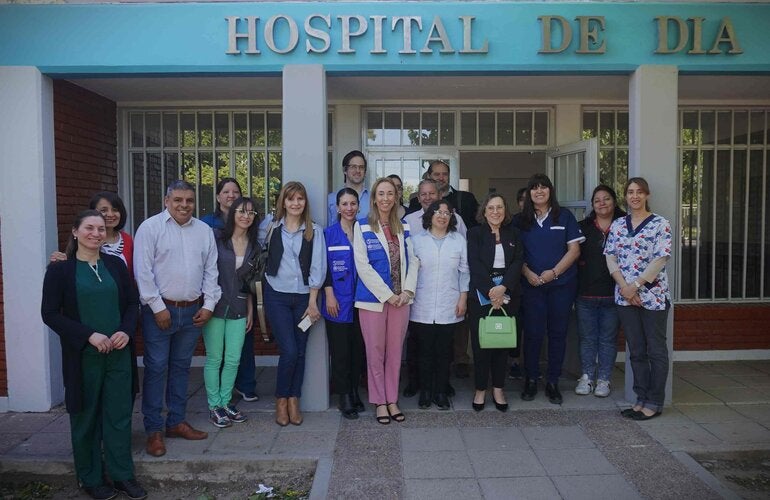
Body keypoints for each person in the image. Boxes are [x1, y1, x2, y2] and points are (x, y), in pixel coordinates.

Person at [41, 210, 147, 500]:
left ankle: (122, 475)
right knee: (85, 417)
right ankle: (90, 477)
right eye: (89, 228)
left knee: (119, 416)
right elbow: (49, 314)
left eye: (101, 229)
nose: (96, 233)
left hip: (118, 354)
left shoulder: (114, 265)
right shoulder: (60, 271)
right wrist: (89, 334)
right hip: (83, 356)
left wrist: (126, 330)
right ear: (75, 232)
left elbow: (131, 304)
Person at [133, 180, 221, 457]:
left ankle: (176, 422)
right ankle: (154, 430)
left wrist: (209, 305)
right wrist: (157, 307)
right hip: (160, 311)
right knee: (157, 368)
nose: (184, 205)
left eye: (189, 201)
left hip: (192, 311)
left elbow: (211, 270)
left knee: (182, 368)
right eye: (178, 200)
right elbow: (143, 272)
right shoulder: (150, 228)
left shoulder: (204, 231)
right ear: (166, 201)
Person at [354, 177, 419, 425]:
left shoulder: (405, 227)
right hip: (373, 301)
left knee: (394, 352)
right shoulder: (362, 227)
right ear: (373, 198)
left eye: (390, 194)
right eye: (380, 194)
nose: (385, 198)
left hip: (401, 301)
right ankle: (380, 401)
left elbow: (414, 261)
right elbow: (363, 266)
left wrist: (407, 292)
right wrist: (388, 295)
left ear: (396, 198)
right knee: (375, 352)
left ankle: (392, 399)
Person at [605, 177, 672, 420]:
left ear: (647, 195)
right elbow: (610, 257)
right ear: (625, 196)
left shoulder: (660, 224)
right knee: (636, 351)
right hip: (625, 297)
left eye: (639, 192)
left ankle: (654, 401)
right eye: (630, 192)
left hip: (653, 296)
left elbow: (660, 259)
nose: (634, 196)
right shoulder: (618, 225)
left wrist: (636, 285)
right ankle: (640, 398)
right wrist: (625, 287)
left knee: (655, 350)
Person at [517, 173, 584, 405]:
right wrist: (528, 273)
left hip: (561, 286)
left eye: (543, 187)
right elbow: (515, 254)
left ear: (550, 191)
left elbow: (574, 251)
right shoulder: (520, 220)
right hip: (532, 286)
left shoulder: (564, 216)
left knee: (557, 334)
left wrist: (553, 273)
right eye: (534, 188)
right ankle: (532, 379)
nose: (539, 191)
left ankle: (553, 381)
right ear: (529, 193)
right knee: (533, 334)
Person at [264, 181, 326, 426]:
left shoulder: (314, 231)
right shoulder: (270, 227)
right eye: (291, 199)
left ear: (305, 203)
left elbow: (318, 267)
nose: (295, 203)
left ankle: (294, 400)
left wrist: (313, 302)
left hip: (304, 299)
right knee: (288, 350)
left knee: (300, 351)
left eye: (300, 199)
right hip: (276, 295)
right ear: (283, 202)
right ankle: (281, 399)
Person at [402, 178, 467, 397]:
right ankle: (425, 393)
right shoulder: (417, 240)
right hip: (422, 303)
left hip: (449, 303)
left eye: (446, 213)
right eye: (438, 213)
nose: (441, 216)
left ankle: (440, 391)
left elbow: (464, 271)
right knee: (423, 351)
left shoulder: (459, 240)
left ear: (452, 217)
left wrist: (463, 299)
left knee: (444, 351)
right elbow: (408, 272)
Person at [203, 197, 259, 428]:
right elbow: (206, 272)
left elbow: (250, 283)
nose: (246, 216)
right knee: (215, 358)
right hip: (215, 306)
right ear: (233, 213)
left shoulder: (255, 246)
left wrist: (250, 311)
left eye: (251, 213)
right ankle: (214, 405)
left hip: (239, 307)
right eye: (241, 211)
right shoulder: (216, 239)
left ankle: (226, 402)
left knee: (234, 359)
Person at [467, 193, 523, 412]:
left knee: (502, 343)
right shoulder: (475, 234)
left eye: (499, 207)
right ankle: (480, 389)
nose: (495, 212)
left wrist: (503, 288)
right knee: (481, 344)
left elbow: (518, 261)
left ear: (505, 211)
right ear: (484, 211)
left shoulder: (515, 233)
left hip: (508, 294)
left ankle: (499, 388)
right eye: (491, 208)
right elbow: (474, 263)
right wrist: (491, 291)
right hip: (481, 296)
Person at [575, 185, 626, 397]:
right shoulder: (583, 228)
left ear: (614, 201)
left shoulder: (625, 225)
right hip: (586, 294)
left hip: (614, 294)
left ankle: (604, 379)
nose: (602, 203)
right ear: (592, 205)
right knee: (587, 338)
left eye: (606, 199)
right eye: (597, 200)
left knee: (607, 339)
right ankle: (587, 377)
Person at [321, 188, 365, 419]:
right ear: (337, 207)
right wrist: (329, 294)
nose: (349, 208)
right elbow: (323, 267)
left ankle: (355, 392)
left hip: (362, 301)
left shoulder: (365, 232)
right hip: (336, 302)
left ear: (358, 206)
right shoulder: (328, 234)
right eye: (344, 204)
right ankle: (344, 396)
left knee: (358, 351)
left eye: (353, 204)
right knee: (340, 353)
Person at [49, 192, 135, 277]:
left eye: (115, 210)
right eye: (104, 210)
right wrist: (61, 260)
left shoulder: (128, 240)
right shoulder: (87, 239)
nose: (110, 214)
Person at [407, 160, 479, 229]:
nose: (441, 178)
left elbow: (475, 226)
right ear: (428, 176)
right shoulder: (416, 202)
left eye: (445, 174)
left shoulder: (466, 198)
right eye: (437, 174)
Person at [508, 186, 530, 380]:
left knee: (532, 326)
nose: (525, 202)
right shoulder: (513, 222)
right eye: (521, 199)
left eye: (527, 198)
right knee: (514, 324)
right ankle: (513, 361)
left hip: (537, 282)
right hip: (514, 282)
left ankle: (531, 366)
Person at [327, 150, 370, 226]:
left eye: (361, 167)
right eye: (353, 167)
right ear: (344, 170)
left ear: (365, 171)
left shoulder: (373, 199)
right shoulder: (331, 199)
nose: (358, 170)